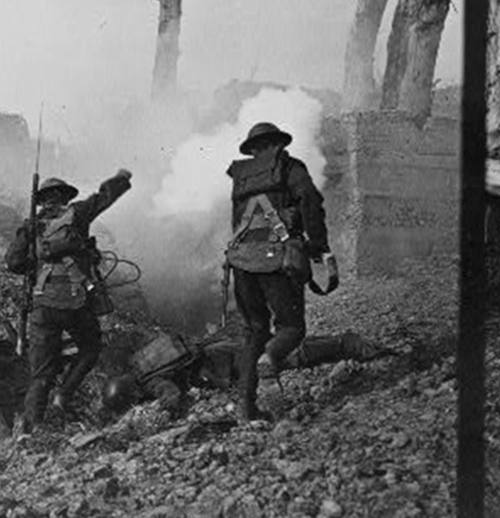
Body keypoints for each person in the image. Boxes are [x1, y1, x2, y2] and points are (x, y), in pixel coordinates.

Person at [6, 169, 132, 432]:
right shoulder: (77, 213)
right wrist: (122, 178)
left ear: (41, 201)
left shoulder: (31, 225)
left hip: (43, 303)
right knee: (90, 347)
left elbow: (14, 263)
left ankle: (30, 433)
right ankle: (63, 395)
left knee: (40, 374)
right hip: (77, 300)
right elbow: (104, 197)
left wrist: (37, 265)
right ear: (63, 198)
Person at [222, 122, 329, 423]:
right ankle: (271, 358)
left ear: (254, 148)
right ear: (276, 144)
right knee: (292, 328)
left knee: (254, 331)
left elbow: (237, 222)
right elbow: (310, 200)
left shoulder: (240, 176)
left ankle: (246, 408)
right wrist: (317, 243)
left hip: (241, 260)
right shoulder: (288, 166)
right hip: (276, 259)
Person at [101, 330, 390, 419]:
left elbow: (172, 397)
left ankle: (349, 344)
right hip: (218, 350)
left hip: (225, 364)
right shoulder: (142, 364)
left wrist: (162, 412)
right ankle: (348, 345)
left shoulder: (152, 382)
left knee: (283, 358)